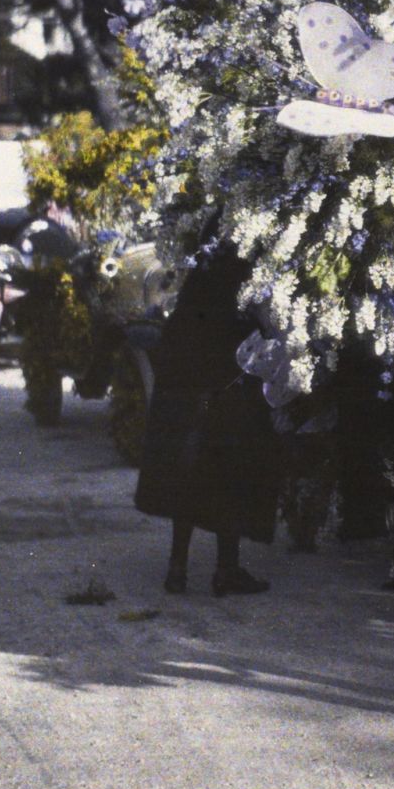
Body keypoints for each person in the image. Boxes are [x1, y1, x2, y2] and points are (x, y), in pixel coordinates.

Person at [132, 245, 277, 596]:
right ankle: (225, 570)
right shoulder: (232, 304)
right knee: (230, 480)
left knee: (188, 483)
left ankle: (177, 569)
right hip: (223, 404)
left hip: (184, 406)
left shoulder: (192, 301)